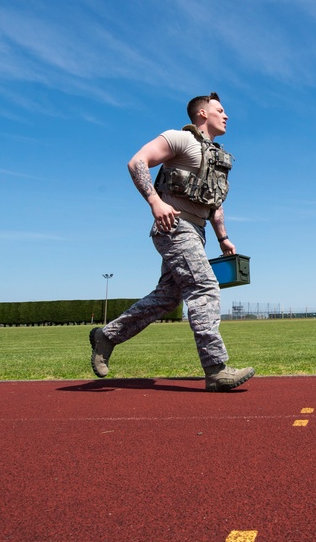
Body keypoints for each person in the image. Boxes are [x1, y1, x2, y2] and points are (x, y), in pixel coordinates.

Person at [89, 92, 255, 392]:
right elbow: (137, 161)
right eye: (220, 110)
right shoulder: (179, 139)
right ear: (202, 114)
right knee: (204, 287)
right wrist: (155, 202)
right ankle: (216, 369)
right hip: (174, 225)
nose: (226, 116)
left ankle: (108, 336)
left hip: (198, 231)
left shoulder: (216, 156)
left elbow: (215, 201)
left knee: (167, 298)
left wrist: (224, 238)